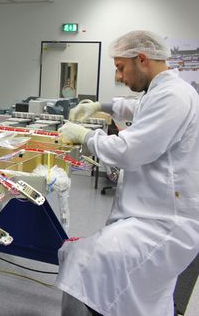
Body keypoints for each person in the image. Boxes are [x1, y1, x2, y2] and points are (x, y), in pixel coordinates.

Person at [56, 30, 199, 316]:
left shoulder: (174, 96)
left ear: (142, 59)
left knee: (82, 262)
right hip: (151, 213)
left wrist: (85, 136)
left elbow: (130, 152)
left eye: (121, 68)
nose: (119, 76)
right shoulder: (163, 91)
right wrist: (100, 105)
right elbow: (137, 106)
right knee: (142, 297)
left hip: (163, 223)